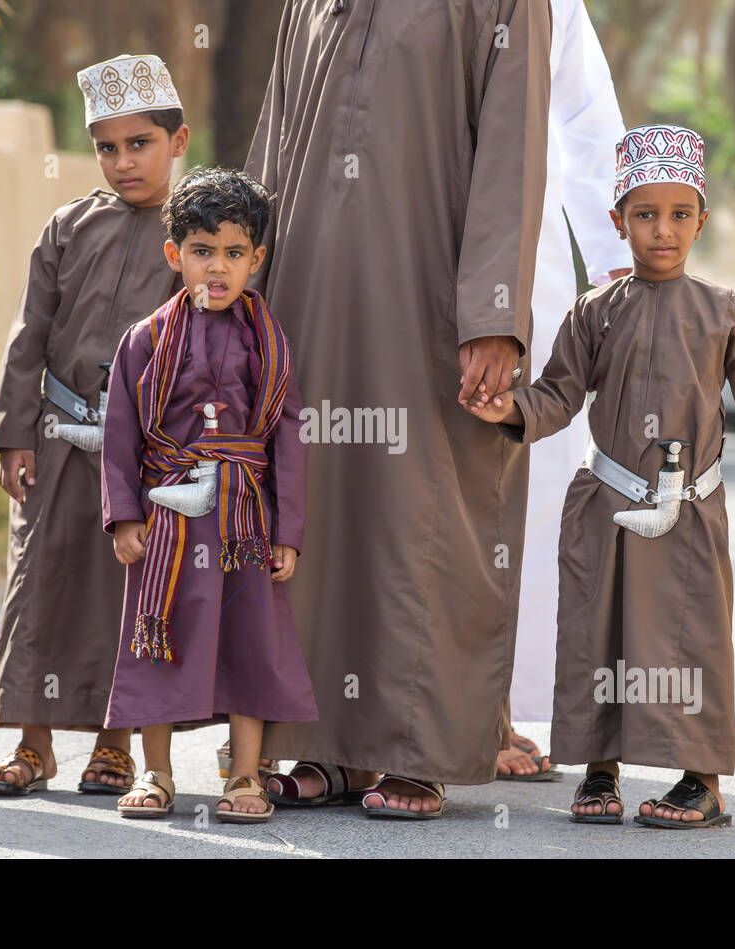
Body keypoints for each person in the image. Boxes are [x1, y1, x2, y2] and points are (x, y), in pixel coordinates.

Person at [246, 0, 551, 818]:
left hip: (428, 291)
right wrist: (241, 292)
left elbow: (512, 153)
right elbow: (275, 136)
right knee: (314, 499)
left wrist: (493, 316)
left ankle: (414, 746)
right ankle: (319, 741)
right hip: (307, 286)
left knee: (420, 506)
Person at [465, 124, 735, 827]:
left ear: (701, 221)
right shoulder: (596, 311)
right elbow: (558, 394)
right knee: (599, 633)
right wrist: (509, 408)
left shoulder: (722, 311)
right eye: (645, 215)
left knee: (698, 638)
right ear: (618, 221)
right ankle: (598, 772)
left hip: (693, 507)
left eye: (680, 215)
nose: (663, 231)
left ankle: (701, 779)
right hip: (606, 502)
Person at [0, 55, 187, 797]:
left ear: (178, 139)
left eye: (140, 143)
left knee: (124, 592)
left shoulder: (192, 235)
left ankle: (115, 744)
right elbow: (29, 331)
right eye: (107, 146)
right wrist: (13, 429)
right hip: (58, 436)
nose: (123, 160)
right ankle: (33, 746)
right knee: (40, 584)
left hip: (143, 451)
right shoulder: (69, 225)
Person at [101, 167, 316, 824]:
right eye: (201, 251)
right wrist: (124, 516)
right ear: (175, 254)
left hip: (244, 520)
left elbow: (287, 439)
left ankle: (246, 773)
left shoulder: (267, 342)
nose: (216, 269)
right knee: (157, 636)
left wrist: (287, 532)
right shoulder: (145, 340)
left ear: (257, 258)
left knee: (250, 641)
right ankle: (156, 771)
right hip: (169, 522)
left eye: (232, 253)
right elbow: (120, 434)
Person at [500, 0, 634, 782]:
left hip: (521, 256)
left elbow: (585, 116)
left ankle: (498, 706)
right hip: (392, 246)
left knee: (526, 482)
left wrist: (620, 258)